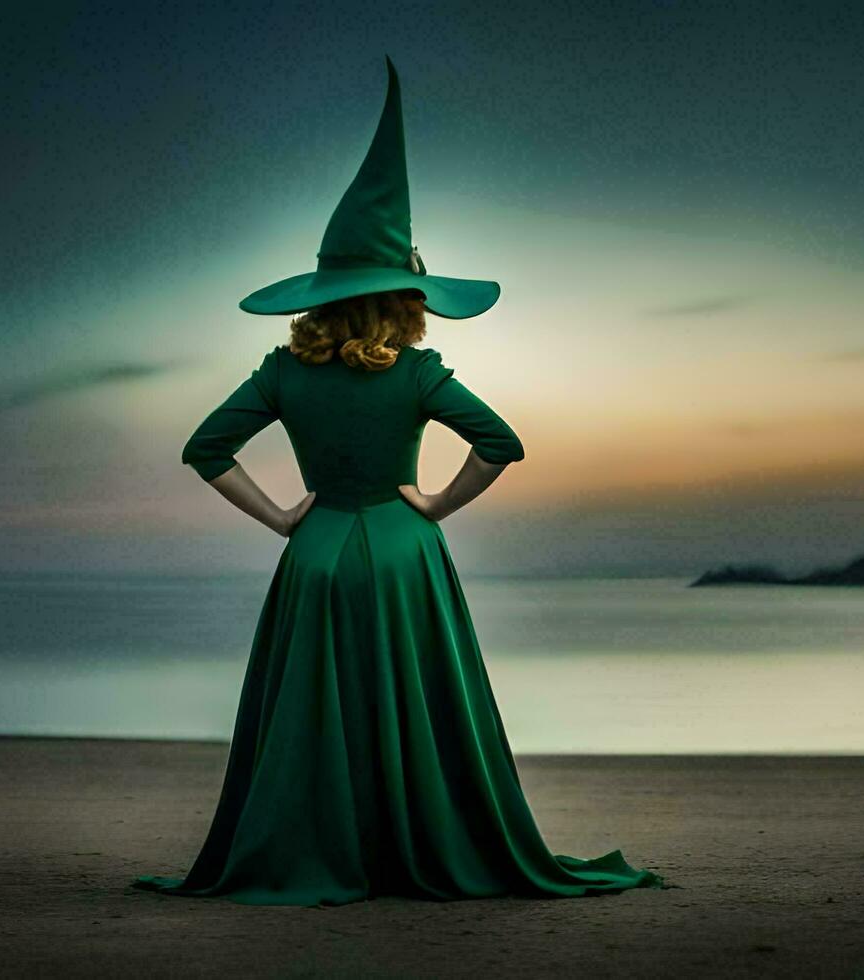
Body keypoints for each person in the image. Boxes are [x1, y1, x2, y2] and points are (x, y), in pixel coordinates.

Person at [131, 55, 663, 906]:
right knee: (418, 718)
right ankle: (416, 847)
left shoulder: (281, 372)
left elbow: (205, 449)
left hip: (315, 555)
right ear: (404, 296)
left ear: (323, 296)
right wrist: (440, 501)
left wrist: (278, 516)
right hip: (405, 552)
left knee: (315, 721)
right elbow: (501, 442)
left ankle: (321, 852)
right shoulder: (419, 375)